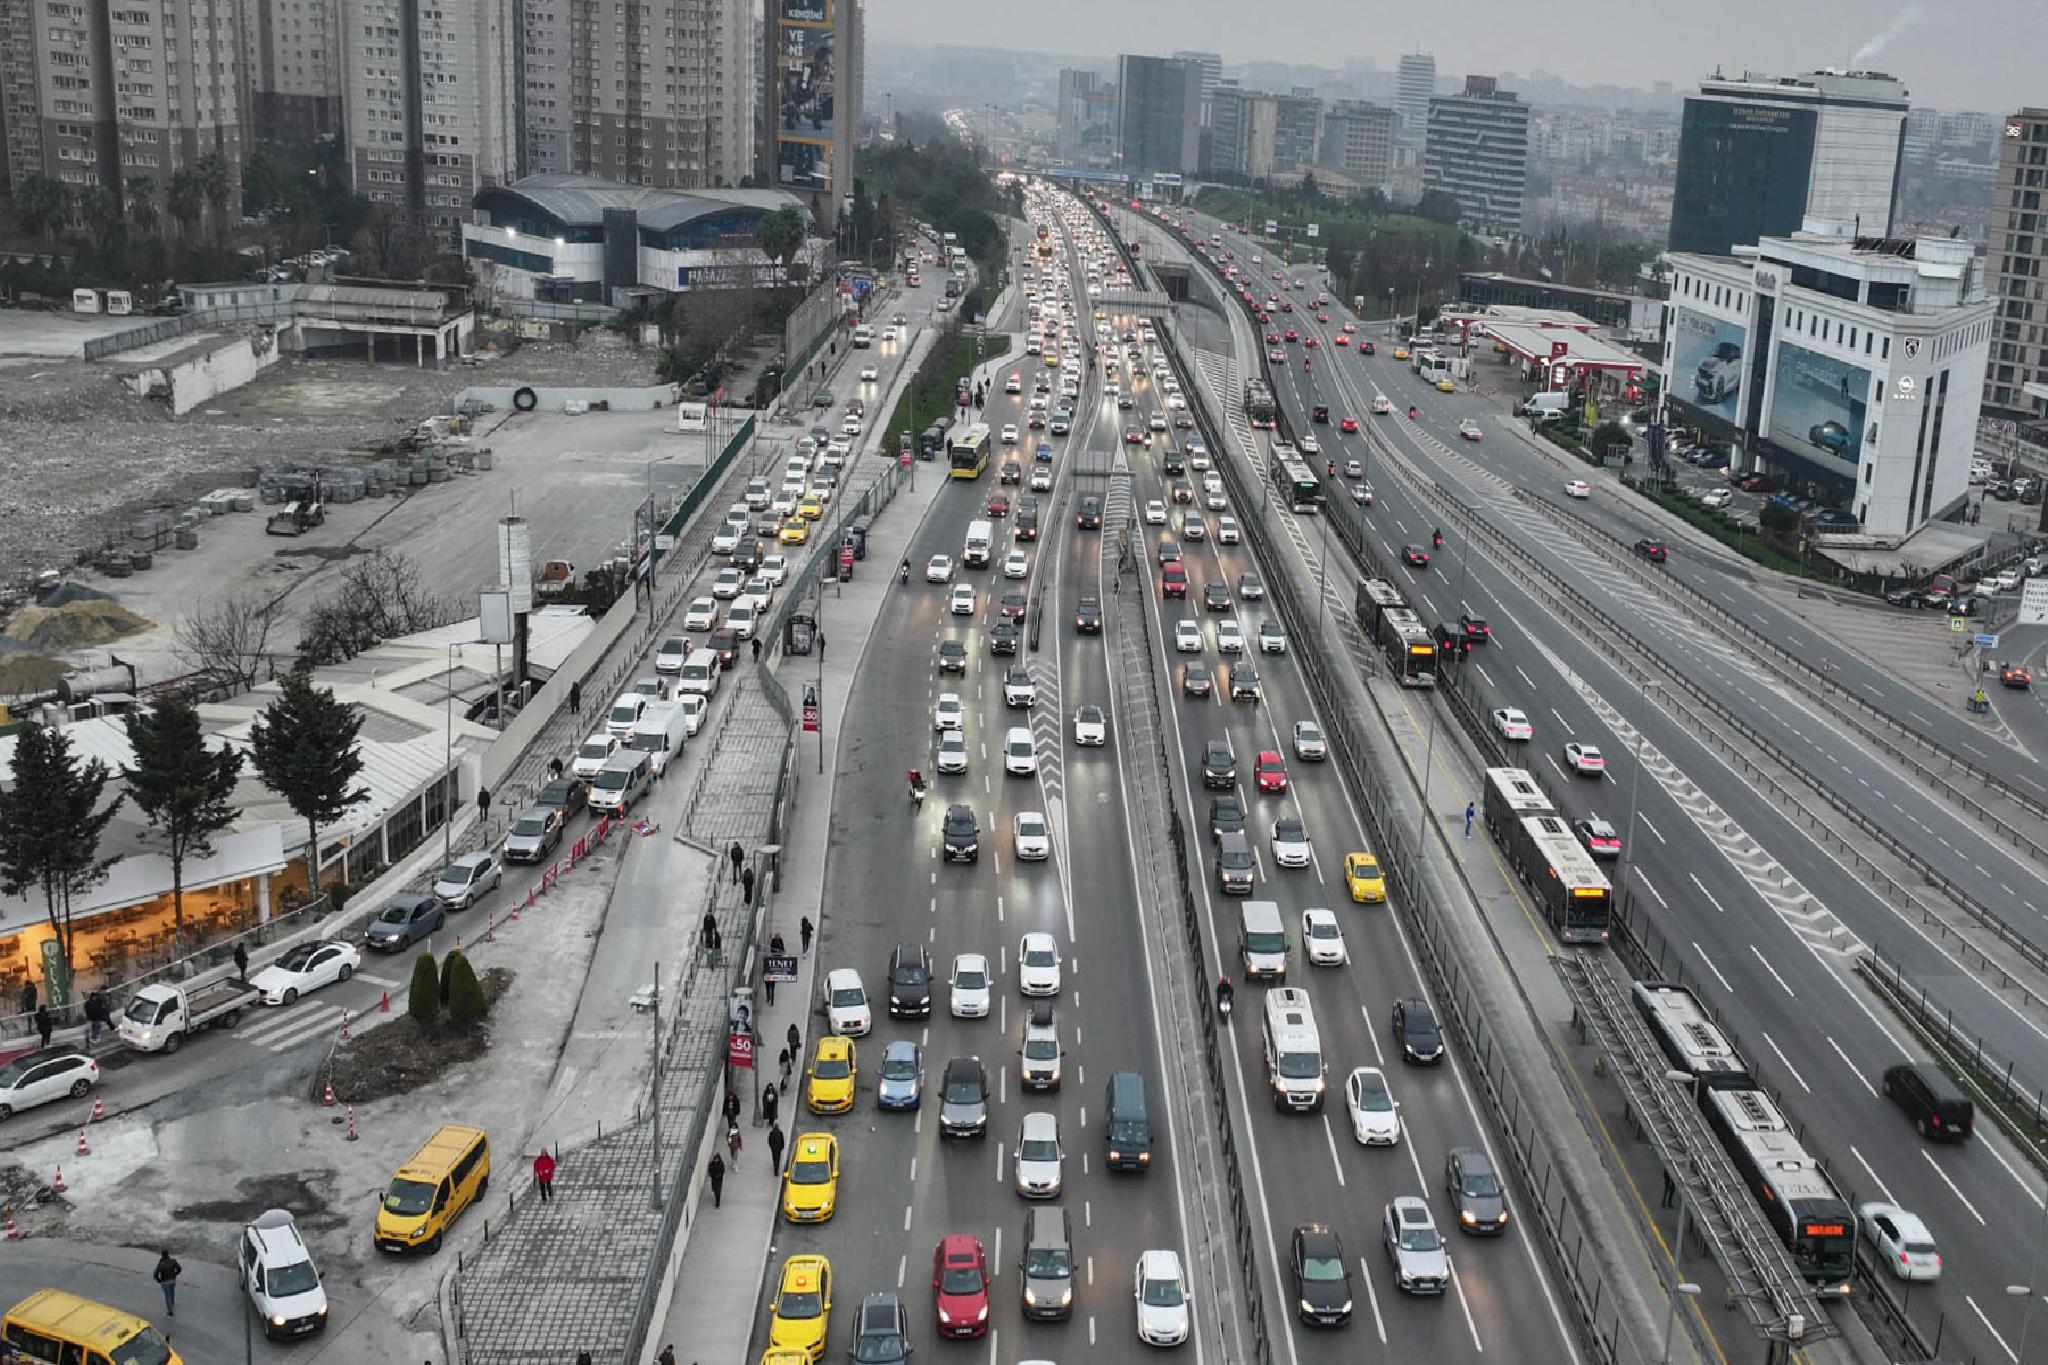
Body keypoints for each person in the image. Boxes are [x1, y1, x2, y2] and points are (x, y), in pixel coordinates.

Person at [152, 1250, 181, 1317]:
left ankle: (170, 1311)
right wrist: (175, 1274)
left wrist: (159, 1280)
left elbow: (156, 1273)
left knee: (167, 1296)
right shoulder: (173, 1261)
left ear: (162, 1255)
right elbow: (179, 1268)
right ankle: (172, 1303)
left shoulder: (161, 1263)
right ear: (168, 1255)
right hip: (173, 1280)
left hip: (165, 1282)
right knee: (172, 1292)